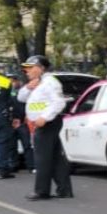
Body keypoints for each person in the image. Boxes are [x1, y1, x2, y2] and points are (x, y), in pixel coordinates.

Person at [18, 55, 72, 200]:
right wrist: (28, 88)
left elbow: (59, 102)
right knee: (55, 158)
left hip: (47, 123)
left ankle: (41, 191)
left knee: (42, 158)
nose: (26, 71)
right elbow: (21, 98)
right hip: (44, 123)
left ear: (40, 68)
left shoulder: (50, 83)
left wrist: (44, 117)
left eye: (30, 68)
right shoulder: (37, 83)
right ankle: (64, 189)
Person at [10, 73, 35, 172]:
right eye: (10, 81)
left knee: (27, 145)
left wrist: (25, 117)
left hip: (22, 122)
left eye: (13, 80)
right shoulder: (6, 92)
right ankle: (14, 165)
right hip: (11, 122)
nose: (11, 83)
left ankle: (31, 166)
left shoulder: (23, 92)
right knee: (12, 145)